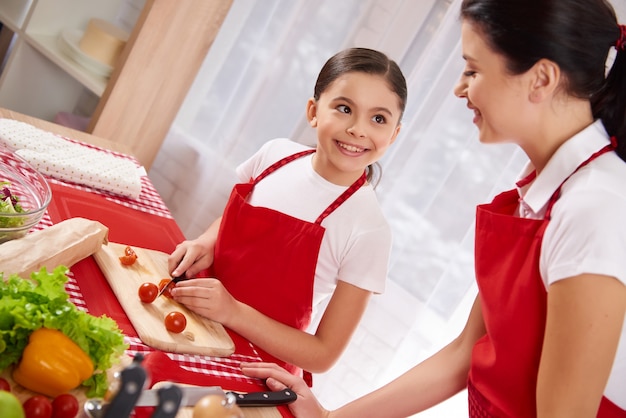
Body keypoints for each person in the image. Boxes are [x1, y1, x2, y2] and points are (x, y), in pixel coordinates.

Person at [240, 0, 626, 416]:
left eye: (473, 70)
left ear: (541, 78)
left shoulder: (595, 209)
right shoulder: (540, 193)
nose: (460, 88)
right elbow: (463, 354)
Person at [167, 47, 407, 378]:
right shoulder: (275, 154)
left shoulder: (369, 231)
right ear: (313, 111)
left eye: (378, 118)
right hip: (194, 320)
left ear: (394, 134)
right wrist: (206, 243)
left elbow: (322, 355)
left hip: (257, 369)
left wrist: (233, 312)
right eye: (344, 108)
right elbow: (240, 218)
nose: (358, 129)